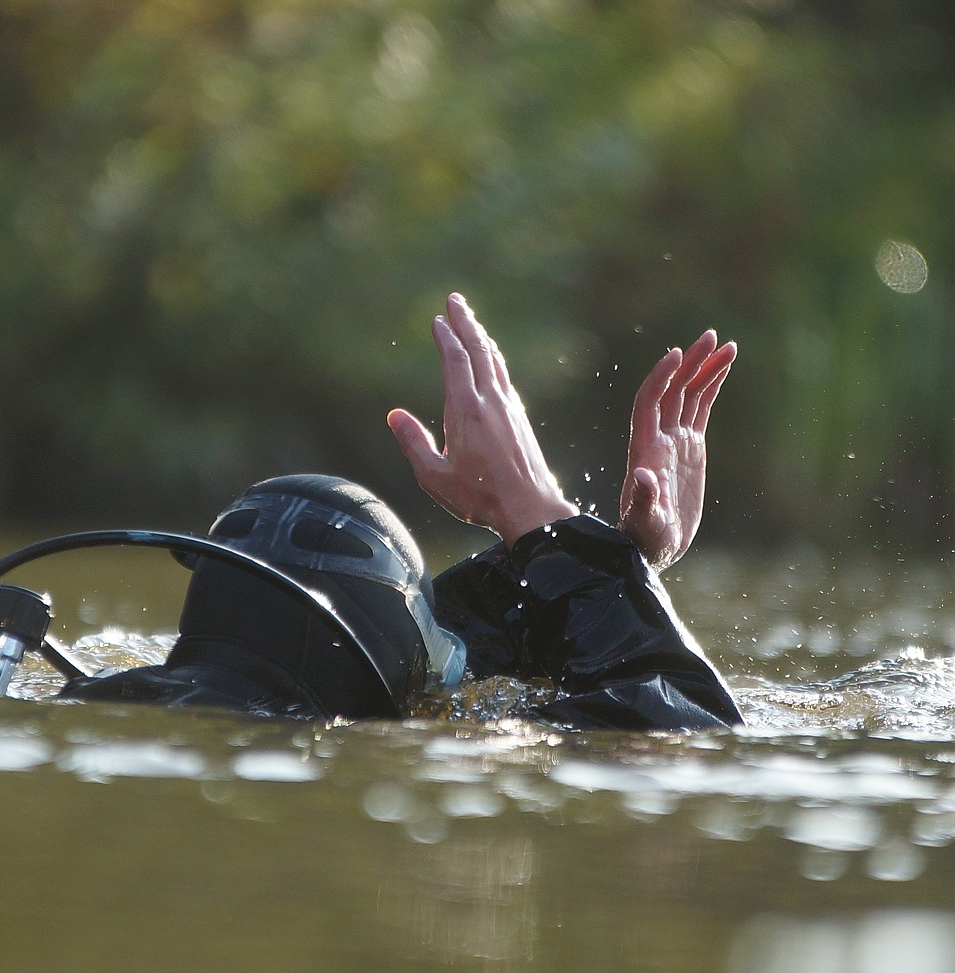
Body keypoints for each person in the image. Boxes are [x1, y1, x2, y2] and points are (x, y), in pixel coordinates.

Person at [60, 294, 741, 730]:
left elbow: (399, 641)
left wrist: (611, 557)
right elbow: (689, 726)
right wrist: (534, 515)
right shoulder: (334, 747)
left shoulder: (110, 704)